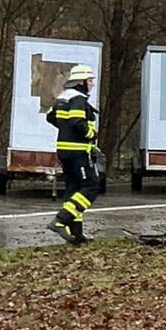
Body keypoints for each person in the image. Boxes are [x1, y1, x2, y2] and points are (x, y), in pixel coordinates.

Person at [45, 64, 100, 245]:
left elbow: (51, 117)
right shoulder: (77, 99)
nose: (92, 84)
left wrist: (65, 129)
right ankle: (61, 220)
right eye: (90, 80)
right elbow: (77, 122)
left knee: (73, 190)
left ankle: (76, 235)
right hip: (78, 152)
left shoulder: (63, 98)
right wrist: (91, 135)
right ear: (81, 82)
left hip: (64, 151)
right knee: (90, 187)